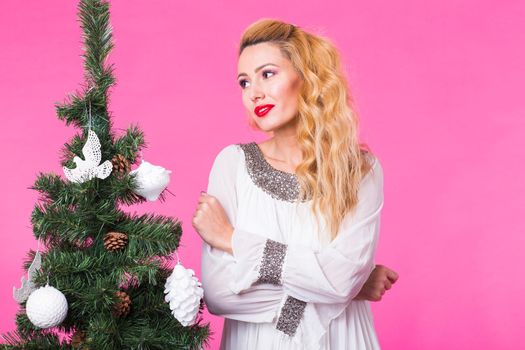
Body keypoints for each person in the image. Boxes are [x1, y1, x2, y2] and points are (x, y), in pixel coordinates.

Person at [192, 19, 398, 350]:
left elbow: (342, 281)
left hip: (341, 339)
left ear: (306, 76)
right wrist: (340, 290)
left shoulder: (360, 170)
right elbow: (220, 294)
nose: (254, 92)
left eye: (267, 74)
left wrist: (234, 241)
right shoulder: (232, 164)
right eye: (244, 82)